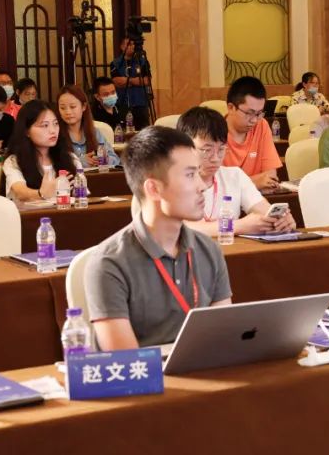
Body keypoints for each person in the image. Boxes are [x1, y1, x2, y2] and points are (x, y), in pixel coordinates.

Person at [84, 126, 233, 351]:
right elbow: (127, 361)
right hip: (145, 373)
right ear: (153, 189)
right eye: (190, 175)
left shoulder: (209, 250)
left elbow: (223, 340)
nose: (202, 186)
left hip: (202, 367)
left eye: (198, 173)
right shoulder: (108, 263)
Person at [176, 107, 297, 237]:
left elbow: (264, 211)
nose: (215, 158)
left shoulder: (234, 175)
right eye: (206, 150)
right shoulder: (172, 180)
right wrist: (237, 226)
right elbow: (182, 229)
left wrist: (282, 221)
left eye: (221, 149)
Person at [2, 100, 81, 202]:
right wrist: (41, 193)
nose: (53, 130)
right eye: (45, 125)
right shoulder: (14, 161)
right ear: (27, 131)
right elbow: (20, 193)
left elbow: (81, 195)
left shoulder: (71, 158)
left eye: (56, 123)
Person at [222, 76, 283, 191]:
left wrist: (237, 184)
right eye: (249, 113)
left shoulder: (261, 125)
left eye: (259, 113)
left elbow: (271, 178)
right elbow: (216, 186)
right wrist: (255, 182)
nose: (254, 120)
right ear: (231, 108)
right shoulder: (214, 132)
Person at [57, 85, 119, 169]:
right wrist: (79, 162)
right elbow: (53, 165)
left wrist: (104, 159)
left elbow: (116, 159)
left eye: (72, 107)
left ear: (84, 106)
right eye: (62, 108)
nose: (68, 112)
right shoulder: (55, 134)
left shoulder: (95, 132)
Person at [110, 36, 152, 130]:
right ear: (122, 46)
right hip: (123, 103)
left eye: (133, 44)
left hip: (140, 103)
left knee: (143, 131)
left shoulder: (142, 61)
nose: (132, 46)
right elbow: (116, 82)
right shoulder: (115, 63)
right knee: (124, 131)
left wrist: (128, 80)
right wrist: (136, 80)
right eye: (129, 44)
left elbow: (147, 81)